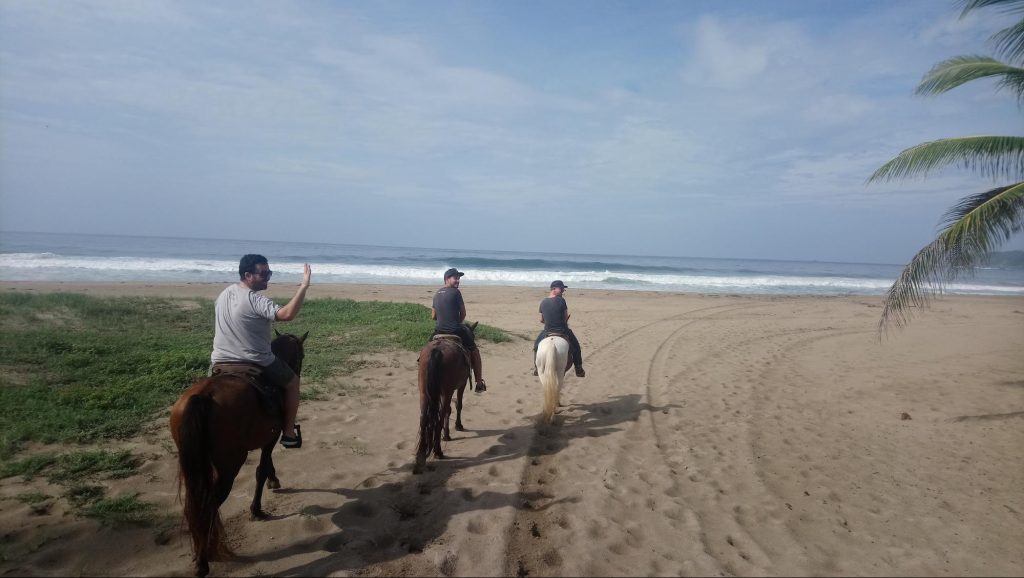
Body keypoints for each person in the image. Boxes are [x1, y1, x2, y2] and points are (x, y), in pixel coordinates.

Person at [211, 254, 311, 448]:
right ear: (248, 275)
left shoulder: (224, 294)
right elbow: (287, 314)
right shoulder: (254, 299)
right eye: (263, 274)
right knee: (292, 383)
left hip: (219, 361)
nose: (268, 277)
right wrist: (304, 286)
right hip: (256, 360)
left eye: (269, 273)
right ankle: (289, 433)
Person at [432, 267, 487, 393]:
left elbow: (433, 316)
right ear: (447, 279)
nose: (458, 280)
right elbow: (463, 313)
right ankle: (479, 382)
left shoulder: (436, 294)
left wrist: (443, 320)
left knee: (426, 348)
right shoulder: (456, 293)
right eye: (455, 278)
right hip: (455, 330)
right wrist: (457, 323)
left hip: (439, 330)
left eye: (459, 278)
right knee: (474, 351)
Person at [534, 280, 585, 377]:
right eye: (561, 289)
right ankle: (578, 368)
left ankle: (536, 368)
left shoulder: (543, 302)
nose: (563, 291)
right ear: (553, 289)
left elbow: (541, 320)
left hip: (547, 331)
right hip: (562, 330)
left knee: (536, 346)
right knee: (577, 347)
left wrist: (550, 321)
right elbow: (565, 317)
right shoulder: (562, 300)